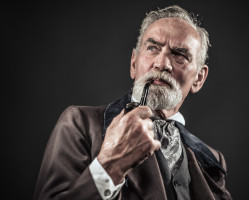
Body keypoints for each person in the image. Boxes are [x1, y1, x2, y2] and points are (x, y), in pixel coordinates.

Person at [34, 5, 232, 200]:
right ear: (133, 63)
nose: (161, 63)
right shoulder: (80, 124)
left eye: (179, 54)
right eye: (153, 48)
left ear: (199, 78)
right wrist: (111, 167)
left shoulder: (212, 160)